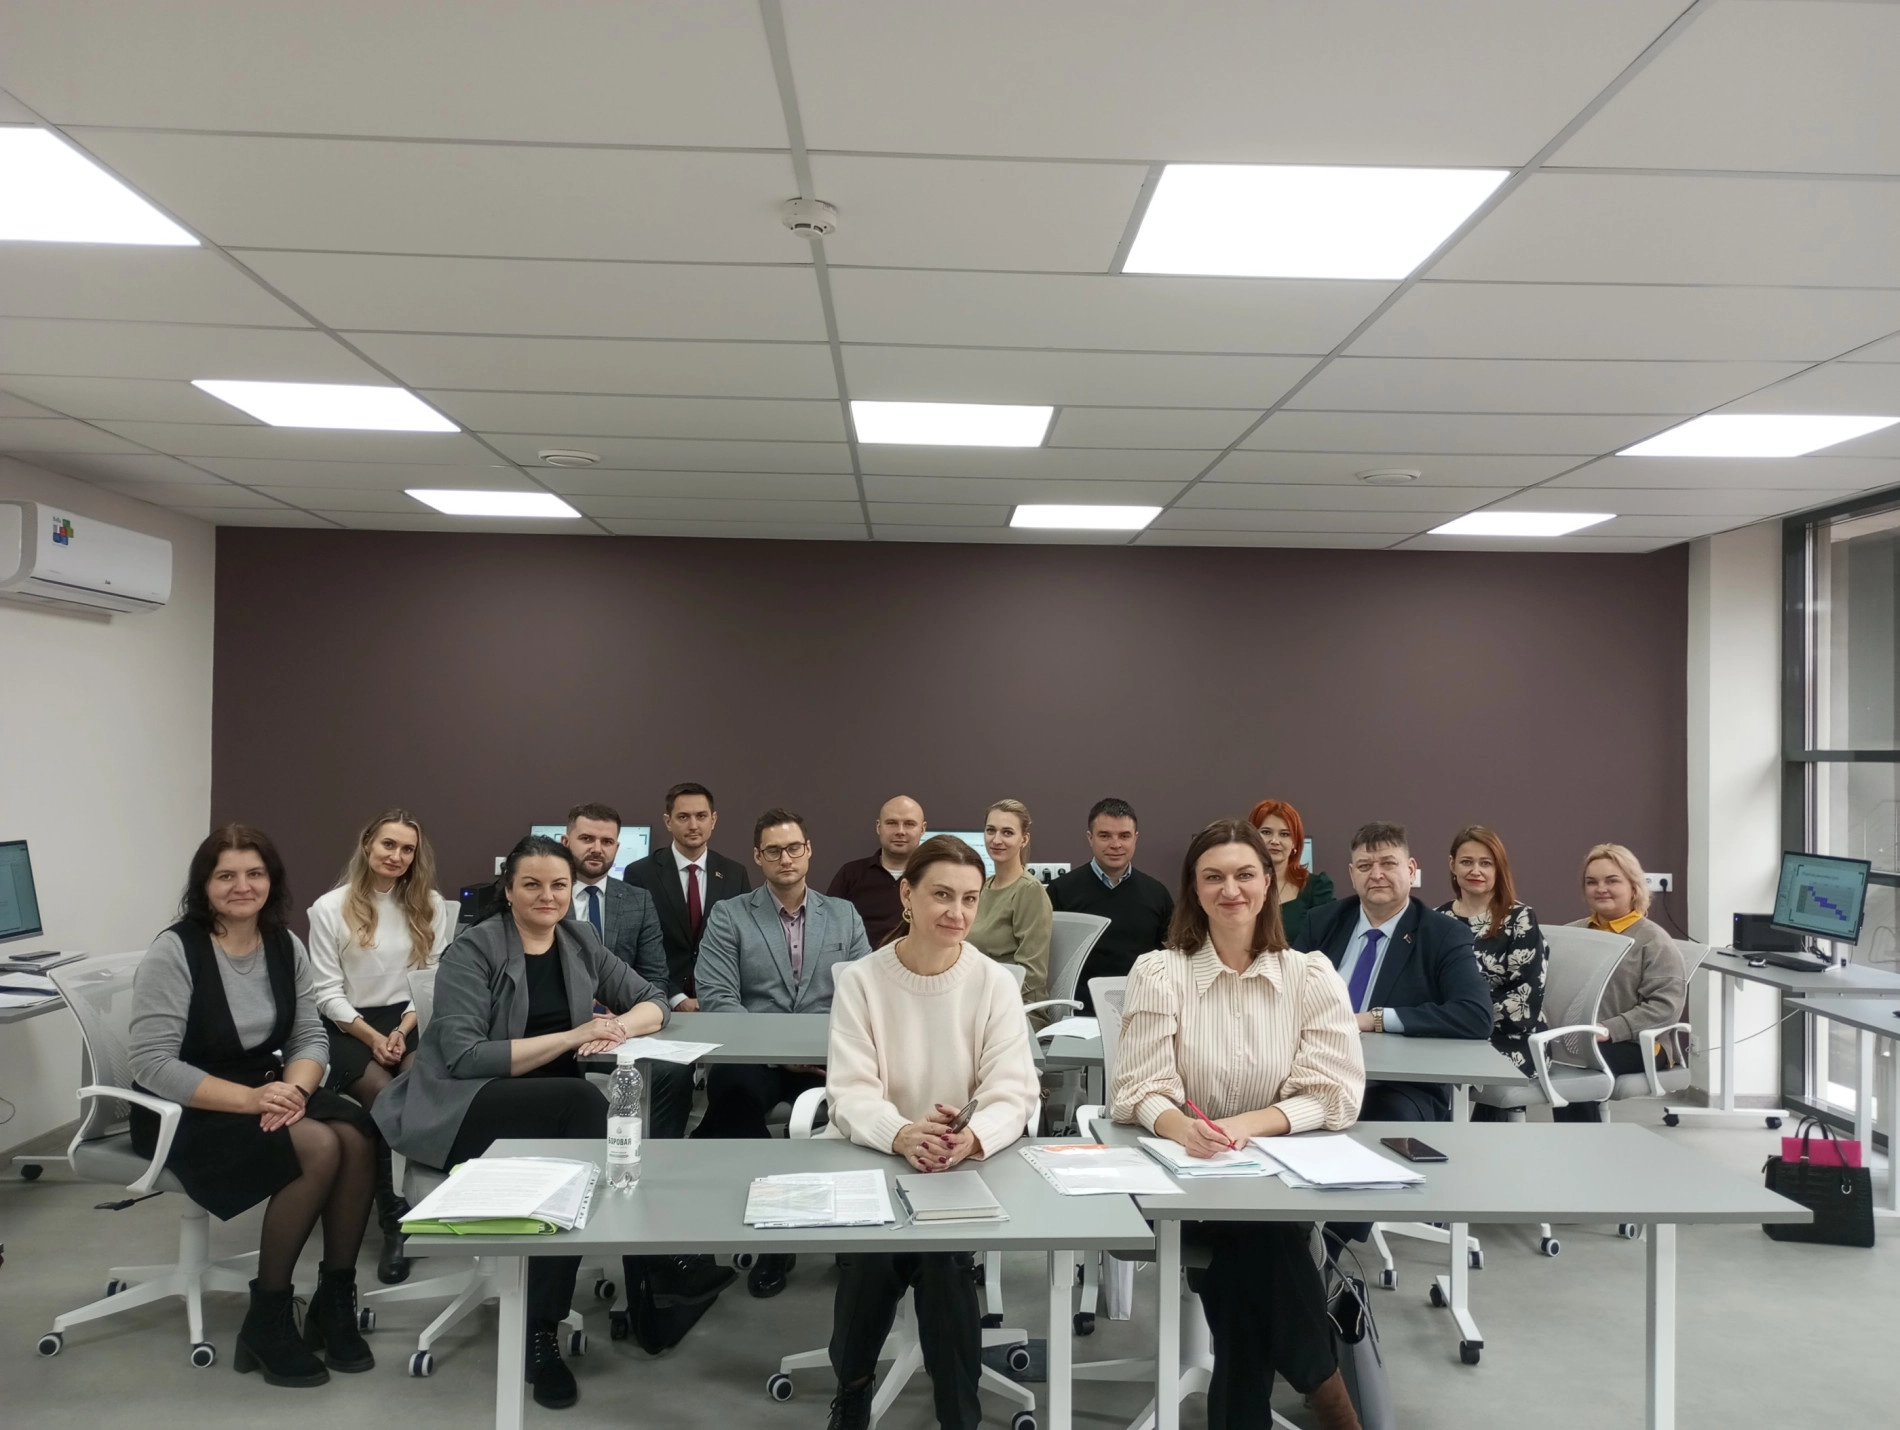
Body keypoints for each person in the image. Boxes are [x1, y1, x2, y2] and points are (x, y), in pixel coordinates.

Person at [373, 835, 668, 1410]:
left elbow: (652, 998)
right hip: (465, 1104)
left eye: (559, 885)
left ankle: (580, 1303)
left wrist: (617, 1028)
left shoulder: (580, 940)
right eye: (531, 884)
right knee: (586, 1108)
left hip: (547, 1110)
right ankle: (549, 1327)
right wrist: (575, 1035)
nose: (547, 896)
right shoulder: (473, 950)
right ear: (508, 890)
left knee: (579, 1148)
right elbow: (465, 1056)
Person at [1112, 820, 1365, 1430]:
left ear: (1269, 883)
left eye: (1245, 874)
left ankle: (1264, 1409)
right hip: (1182, 1178)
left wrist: (1247, 1125)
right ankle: (1328, 1394)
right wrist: (1179, 1127)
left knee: (1251, 1254)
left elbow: (1334, 1092)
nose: (1231, 890)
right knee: (1263, 1240)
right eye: (1214, 877)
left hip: (1275, 1177)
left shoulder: (1310, 976)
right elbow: (1138, 1088)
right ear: (1194, 890)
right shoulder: (1160, 973)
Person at [129, 824, 377, 1388]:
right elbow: (151, 1062)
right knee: (319, 1145)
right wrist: (251, 1099)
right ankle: (267, 1318)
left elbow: (309, 1036)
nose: (242, 886)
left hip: (266, 1087)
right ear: (204, 884)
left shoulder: (282, 944)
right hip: (184, 1105)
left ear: (272, 880)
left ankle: (334, 1302)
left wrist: (296, 1092)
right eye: (226, 875)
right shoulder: (176, 951)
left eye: (255, 873)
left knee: (358, 1132)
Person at [821, 836, 1040, 1430]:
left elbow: (1014, 1089)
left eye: (969, 899)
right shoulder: (862, 980)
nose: (957, 913)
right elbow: (849, 1091)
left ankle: (957, 1415)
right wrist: (901, 1134)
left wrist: (971, 1137)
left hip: (958, 1165)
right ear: (907, 895)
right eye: (942, 895)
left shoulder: (993, 982)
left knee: (942, 1259)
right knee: (877, 1258)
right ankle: (854, 1393)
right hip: (877, 1157)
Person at [693, 808, 873, 1298]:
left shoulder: (843, 915)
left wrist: (822, 1051)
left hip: (828, 1057)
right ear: (758, 857)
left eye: (794, 848)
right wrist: (777, 1053)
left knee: (862, 1108)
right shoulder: (730, 914)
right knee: (733, 1098)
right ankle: (776, 1233)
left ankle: (850, 1228)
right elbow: (718, 997)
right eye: (773, 851)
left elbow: (863, 995)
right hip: (755, 1058)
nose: (785, 858)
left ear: (809, 851)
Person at [307, 808, 456, 1284]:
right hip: (347, 1022)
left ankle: (422, 1203)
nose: (397, 856)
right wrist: (372, 1037)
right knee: (379, 1091)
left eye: (407, 849)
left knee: (417, 1084)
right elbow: (325, 992)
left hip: (409, 1016)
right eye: (388, 844)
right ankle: (393, 1222)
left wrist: (402, 1029)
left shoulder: (429, 904)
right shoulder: (329, 907)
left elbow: (430, 978)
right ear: (368, 844)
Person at [1300, 822, 1493, 1122]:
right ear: (1352, 875)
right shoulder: (1321, 922)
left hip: (1397, 1085)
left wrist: (1375, 1019)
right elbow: (1286, 995)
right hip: (1315, 1070)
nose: (1376, 874)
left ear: (1411, 870)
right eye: (1365, 865)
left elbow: (1476, 1015)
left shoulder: (1443, 934)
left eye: (1388, 863)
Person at [621, 781, 751, 1138]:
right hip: (663, 1003)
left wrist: (714, 997)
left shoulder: (734, 872)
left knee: (735, 1084)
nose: (693, 825)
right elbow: (639, 948)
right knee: (672, 1080)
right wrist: (675, 997)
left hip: (721, 1003)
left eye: (701, 816)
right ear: (668, 821)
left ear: (714, 820)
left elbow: (743, 945)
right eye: (683, 817)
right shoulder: (641, 873)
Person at [561, 800, 689, 1144]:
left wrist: (623, 1021)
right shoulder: (548, 897)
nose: (597, 849)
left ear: (617, 848)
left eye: (606, 842)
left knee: (673, 1073)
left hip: (623, 1028)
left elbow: (655, 978)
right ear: (566, 842)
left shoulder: (638, 901)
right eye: (587, 839)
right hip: (560, 1030)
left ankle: (658, 1156)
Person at [1553, 842, 1689, 1123]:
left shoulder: (1654, 941)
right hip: (1578, 1038)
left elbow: (1665, 1008)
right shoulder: (1572, 934)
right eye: (1592, 882)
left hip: (1637, 1045)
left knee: (1578, 1069)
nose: (1600, 888)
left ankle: (1579, 1146)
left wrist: (1610, 1029)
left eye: (1612, 880)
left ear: (1634, 887)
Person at [1433, 826, 1548, 1120]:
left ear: (1499, 868)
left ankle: (1462, 1143)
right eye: (1466, 862)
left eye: (1486, 863)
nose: (1476, 870)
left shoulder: (1521, 919)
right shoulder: (1437, 920)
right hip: (1449, 1036)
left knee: (1444, 1072)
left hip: (1513, 1038)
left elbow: (1525, 1002)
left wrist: (1460, 1017)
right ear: (1452, 865)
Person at [1045, 797, 1174, 1013]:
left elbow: (1170, 960)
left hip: (1141, 1010)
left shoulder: (1157, 894)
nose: (1115, 845)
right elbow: (1051, 962)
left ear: (1136, 838)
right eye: (1105, 836)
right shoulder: (1060, 891)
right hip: (1078, 1013)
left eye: (1124, 836)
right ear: (1090, 838)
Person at [969, 799, 1054, 1012]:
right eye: (991, 830)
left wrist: (986, 1002)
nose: (996, 839)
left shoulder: (1029, 891)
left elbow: (1031, 975)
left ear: (1023, 839)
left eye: (1007, 833)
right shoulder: (982, 887)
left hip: (1016, 1008)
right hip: (976, 1000)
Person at [826, 795, 927, 947]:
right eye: (892, 823)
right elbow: (828, 927)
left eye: (909, 824)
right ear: (879, 827)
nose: (900, 831)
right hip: (860, 961)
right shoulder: (850, 874)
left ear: (922, 829)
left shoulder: (933, 877)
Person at [1248, 798, 1335, 948]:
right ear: (1252, 837)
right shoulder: (1238, 887)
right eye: (1266, 832)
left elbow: (1328, 944)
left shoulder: (1316, 887)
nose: (1275, 841)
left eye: (1284, 834)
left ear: (1295, 842)